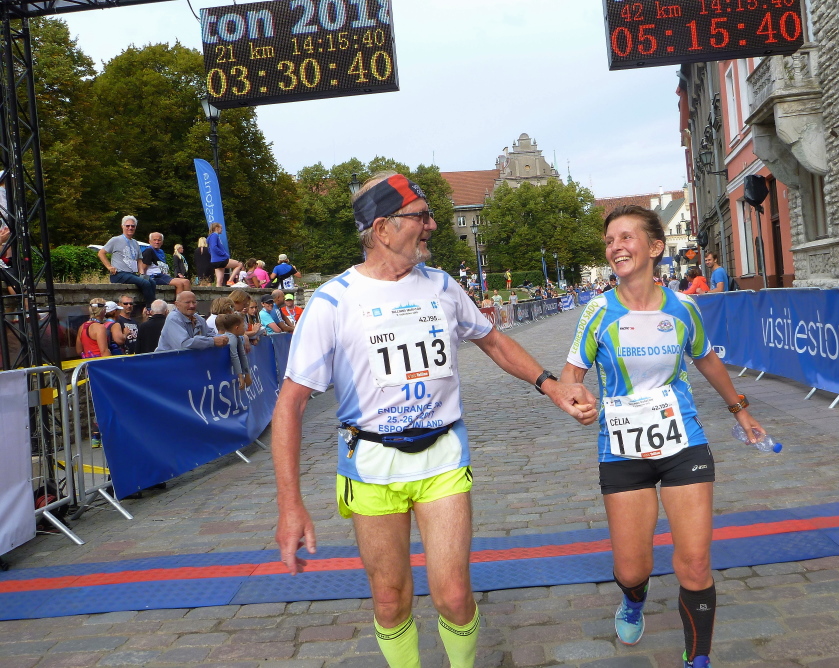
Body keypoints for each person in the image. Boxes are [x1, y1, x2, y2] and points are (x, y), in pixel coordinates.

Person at [271, 171, 596, 668]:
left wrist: (552, 386)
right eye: (421, 216)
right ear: (382, 228)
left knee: (454, 595)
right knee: (389, 599)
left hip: (442, 454)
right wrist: (290, 504)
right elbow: (290, 404)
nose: (433, 225)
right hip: (371, 463)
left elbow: (493, 341)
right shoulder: (333, 301)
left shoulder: (442, 286)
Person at [562, 205, 767, 666]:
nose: (615, 247)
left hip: (683, 441)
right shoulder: (598, 311)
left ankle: (698, 658)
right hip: (622, 449)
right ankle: (633, 599)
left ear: (655, 247)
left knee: (695, 562)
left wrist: (741, 411)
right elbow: (572, 374)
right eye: (609, 241)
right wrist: (576, 398)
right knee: (632, 568)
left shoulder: (683, 307)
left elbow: (706, 358)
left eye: (626, 237)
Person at [98, 215, 156, 308]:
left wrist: (142, 273)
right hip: (119, 274)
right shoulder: (115, 240)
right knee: (145, 283)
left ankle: (150, 305)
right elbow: (101, 253)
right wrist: (109, 267)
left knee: (151, 282)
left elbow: (139, 259)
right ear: (122, 226)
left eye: (133, 226)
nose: (130, 228)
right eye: (127, 226)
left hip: (131, 274)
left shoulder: (135, 243)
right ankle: (151, 308)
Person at [155, 291, 228, 352]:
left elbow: (211, 334)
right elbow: (184, 343)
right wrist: (212, 341)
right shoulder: (173, 318)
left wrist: (223, 338)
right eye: (187, 302)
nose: (192, 306)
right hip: (167, 361)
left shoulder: (198, 318)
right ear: (177, 304)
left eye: (194, 302)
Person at [141, 232, 192, 298]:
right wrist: (143, 280)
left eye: (159, 240)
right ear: (150, 241)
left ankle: (189, 301)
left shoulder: (161, 252)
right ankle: (179, 303)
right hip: (154, 277)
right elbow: (142, 268)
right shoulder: (148, 251)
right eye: (154, 240)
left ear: (162, 242)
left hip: (163, 276)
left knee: (186, 282)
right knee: (179, 284)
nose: (157, 242)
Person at [215, 313, 252, 390]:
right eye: (243, 326)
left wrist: (247, 374)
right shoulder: (231, 339)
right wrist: (240, 377)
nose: (245, 328)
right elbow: (234, 356)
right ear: (237, 328)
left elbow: (242, 355)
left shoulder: (237, 337)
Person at [207, 223, 243, 287]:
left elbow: (210, 249)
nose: (222, 230)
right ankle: (230, 280)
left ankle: (218, 292)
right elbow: (214, 247)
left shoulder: (210, 237)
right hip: (221, 259)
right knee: (239, 264)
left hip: (214, 261)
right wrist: (223, 254)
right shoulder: (214, 235)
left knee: (219, 281)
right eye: (221, 228)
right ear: (216, 228)